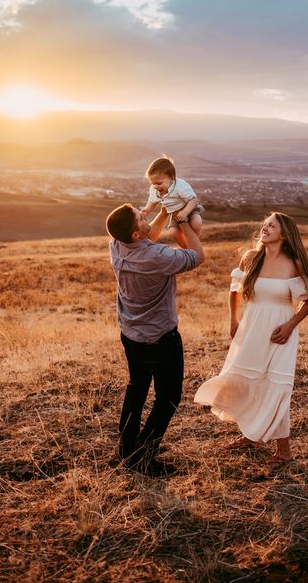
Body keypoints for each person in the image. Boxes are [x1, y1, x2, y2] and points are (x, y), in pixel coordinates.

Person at [194, 212, 308, 465]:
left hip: (280, 333)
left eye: (271, 226)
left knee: (277, 386)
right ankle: (251, 433)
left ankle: (284, 452)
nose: (265, 229)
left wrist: (290, 325)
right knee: (246, 379)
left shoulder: (293, 263)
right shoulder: (251, 258)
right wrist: (234, 320)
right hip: (252, 327)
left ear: (284, 234)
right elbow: (234, 291)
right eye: (264, 225)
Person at [106, 202, 204, 476]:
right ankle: (143, 456)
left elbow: (145, 239)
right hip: (161, 338)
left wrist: (161, 213)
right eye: (140, 216)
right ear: (136, 234)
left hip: (131, 334)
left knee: (136, 389)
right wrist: (182, 219)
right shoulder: (159, 257)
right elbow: (197, 256)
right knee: (169, 397)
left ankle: (126, 449)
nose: (143, 213)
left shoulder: (116, 245)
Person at [142, 156, 203, 249]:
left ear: (172, 178)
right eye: (153, 183)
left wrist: (185, 212)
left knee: (196, 223)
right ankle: (187, 248)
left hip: (189, 209)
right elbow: (152, 202)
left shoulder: (180, 186)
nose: (155, 186)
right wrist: (146, 211)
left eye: (159, 183)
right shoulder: (154, 189)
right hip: (175, 214)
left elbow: (194, 200)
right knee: (172, 233)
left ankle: (196, 242)